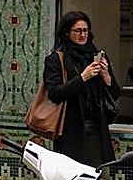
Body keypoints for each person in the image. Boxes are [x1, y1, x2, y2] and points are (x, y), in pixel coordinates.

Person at [43, 10, 120, 166]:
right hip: (70, 131)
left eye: (85, 30)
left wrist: (106, 76)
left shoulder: (96, 56)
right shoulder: (57, 59)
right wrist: (83, 78)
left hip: (97, 128)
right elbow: (54, 94)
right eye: (77, 31)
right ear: (66, 33)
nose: (82, 35)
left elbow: (115, 94)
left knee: (99, 178)